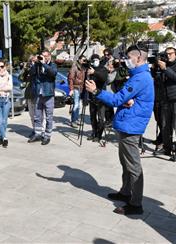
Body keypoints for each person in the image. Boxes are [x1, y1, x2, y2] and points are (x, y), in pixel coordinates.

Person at [85, 44, 154, 215]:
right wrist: (128, 100)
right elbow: (126, 98)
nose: (125, 60)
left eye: (129, 57)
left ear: (139, 58)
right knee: (125, 163)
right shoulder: (137, 75)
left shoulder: (141, 78)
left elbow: (117, 99)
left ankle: (136, 203)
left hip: (131, 126)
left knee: (133, 166)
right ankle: (125, 192)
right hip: (126, 123)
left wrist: (96, 91)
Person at [154, 47, 176, 162]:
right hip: (166, 99)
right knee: (164, 125)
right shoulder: (166, 66)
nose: (168, 56)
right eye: (166, 54)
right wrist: (157, 70)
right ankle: (167, 148)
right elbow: (160, 82)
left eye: (170, 53)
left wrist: (165, 69)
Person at [27, 50, 57, 145]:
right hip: (38, 94)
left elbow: (53, 73)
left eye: (45, 56)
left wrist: (44, 64)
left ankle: (47, 136)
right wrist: (35, 63)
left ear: (49, 56)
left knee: (49, 117)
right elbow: (31, 73)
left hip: (48, 95)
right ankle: (38, 134)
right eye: (41, 56)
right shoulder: (37, 65)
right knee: (37, 116)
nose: (42, 58)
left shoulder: (52, 65)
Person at [87, 54, 108, 142]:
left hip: (101, 97)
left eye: (96, 59)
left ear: (99, 60)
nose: (95, 61)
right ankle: (94, 132)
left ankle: (99, 135)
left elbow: (103, 78)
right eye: (93, 60)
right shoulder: (90, 69)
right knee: (92, 117)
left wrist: (94, 73)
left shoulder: (103, 69)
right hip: (92, 97)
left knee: (101, 118)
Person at [19, 55, 38, 137]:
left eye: (35, 60)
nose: (33, 62)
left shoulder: (39, 68)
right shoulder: (27, 69)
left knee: (39, 114)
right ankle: (34, 130)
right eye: (32, 61)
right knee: (31, 114)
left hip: (38, 94)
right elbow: (20, 78)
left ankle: (41, 131)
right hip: (29, 93)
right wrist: (24, 69)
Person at [68, 55, 86, 128]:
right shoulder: (75, 67)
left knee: (79, 105)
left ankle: (76, 118)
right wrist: (71, 89)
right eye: (83, 60)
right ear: (79, 60)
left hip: (81, 88)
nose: (84, 61)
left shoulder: (84, 68)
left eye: (85, 60)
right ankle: (73, 121)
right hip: (76, 87)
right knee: (76, 105)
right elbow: (71, 79)